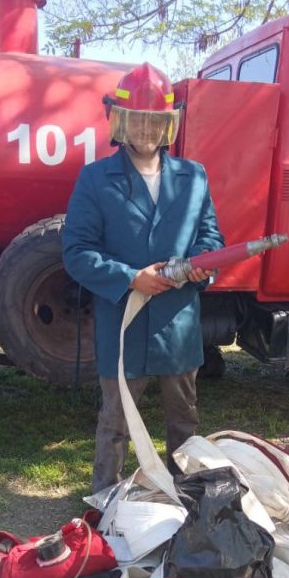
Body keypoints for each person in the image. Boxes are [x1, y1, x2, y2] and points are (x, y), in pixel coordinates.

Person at [63, 62, 225, 492]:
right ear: (120, 120)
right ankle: (105, 500)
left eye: (155, 121)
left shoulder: (194, 176)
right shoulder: (96, 179)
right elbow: (76, 252)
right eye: (136, 119)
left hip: (178, 322)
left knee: (184, 421)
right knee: (116, 422)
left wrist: (198, 265)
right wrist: (131, 277)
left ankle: (191, 500)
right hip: (124, 324)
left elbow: (210, 237)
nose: (145, 130)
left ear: (167, 124)